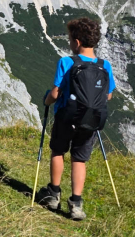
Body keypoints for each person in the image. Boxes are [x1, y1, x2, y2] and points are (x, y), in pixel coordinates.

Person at [36, 17, 115, 221]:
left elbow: (55, 93)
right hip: (90, 121)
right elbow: (108, 95)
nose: (70, 43)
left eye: (70, 39)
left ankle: (53, 193)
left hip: (66, 117)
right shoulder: (105, 66)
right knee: (79, 159)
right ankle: (76, 203)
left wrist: (46, 101)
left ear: (77, 41)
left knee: (58, 151)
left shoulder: (67, 62)